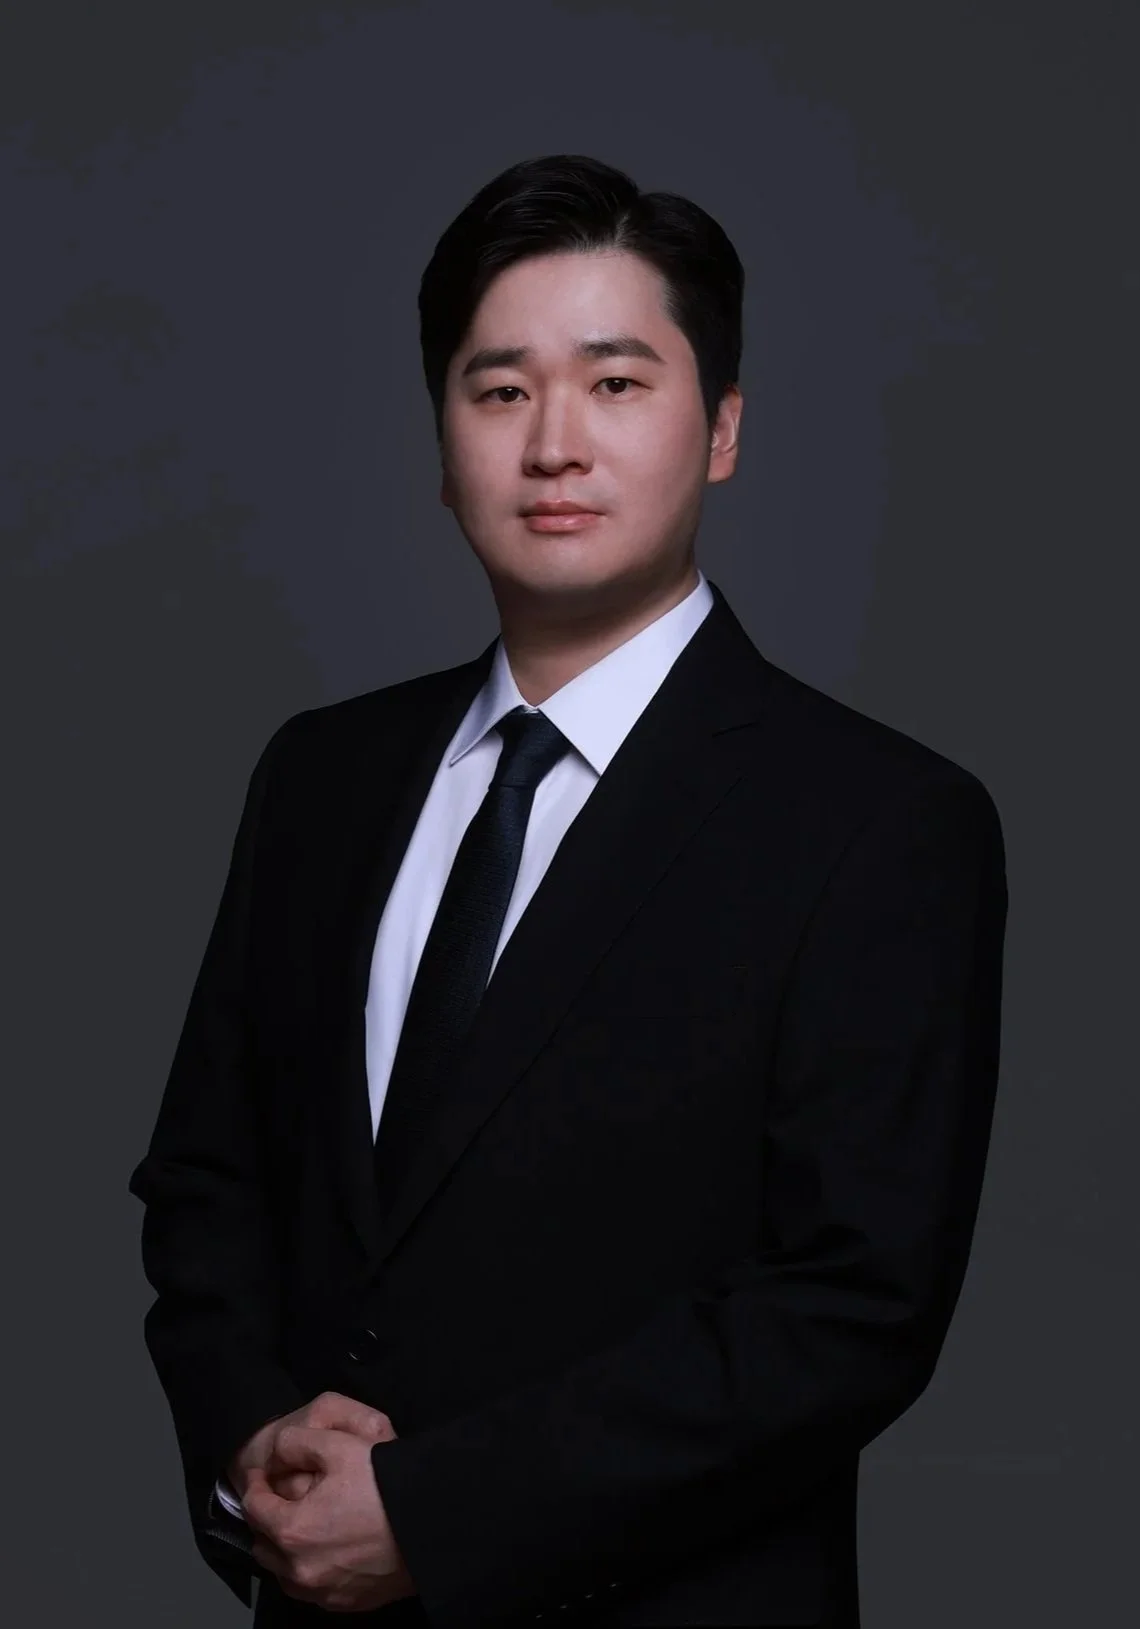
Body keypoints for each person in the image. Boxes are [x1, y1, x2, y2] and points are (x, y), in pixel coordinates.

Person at [129, 152, 1008, 1628]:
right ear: (443, 437)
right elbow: (209, 1181)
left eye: (614, 384)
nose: (553, 445)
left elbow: (851, 1305)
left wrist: (437, 1515)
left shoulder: (880, 820)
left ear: (721, 429)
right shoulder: (323, 777)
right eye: (499, 391)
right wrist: (251, 1445)